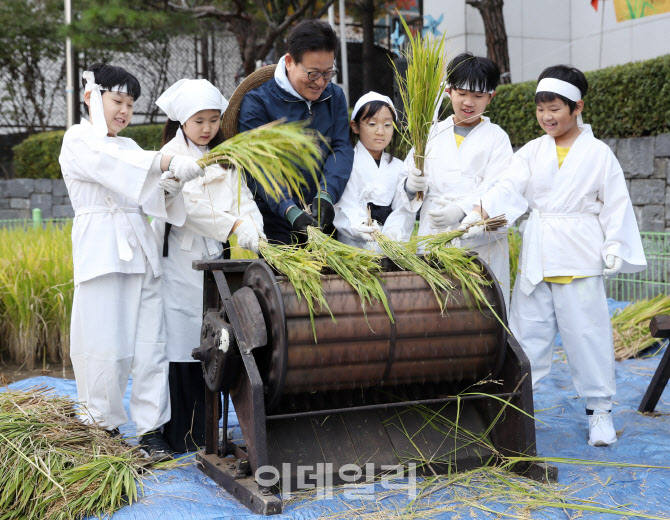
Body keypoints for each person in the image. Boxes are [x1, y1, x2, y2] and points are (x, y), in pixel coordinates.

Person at [460, 65, 647, 446]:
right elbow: (509, 189)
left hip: (579, 257)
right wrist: (480, 213)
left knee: (588, 338)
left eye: (555, 109)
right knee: (527, 338)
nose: (546, 117)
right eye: (540, 109)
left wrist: (614, 244)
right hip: (538, 258)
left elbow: (616, 204)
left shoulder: (598, 153)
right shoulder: (532, 151)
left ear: (577, 107)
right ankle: (513, 411)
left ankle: (599, 414)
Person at [59, 63, 206, 462]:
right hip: (102, 253)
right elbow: (109, 165)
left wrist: (171, 184)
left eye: (131, 104)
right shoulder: (79, 139)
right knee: (104, 344)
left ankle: (150, 430)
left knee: (150, 346)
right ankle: (102, 427)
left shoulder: (129, 148)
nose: (125, 110)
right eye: (117, 100)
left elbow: (150, 194)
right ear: (93, 98)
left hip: (139, 250)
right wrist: (165, 163)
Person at [152, 78, 264, 452]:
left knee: (217, 344)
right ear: (183, 121)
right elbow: (187, 210)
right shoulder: (170, 156)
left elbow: (242, 198)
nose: (207, 128)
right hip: (181, 267)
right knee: (185, 345)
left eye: (214, 120)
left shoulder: (225, 155)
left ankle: (210, 432)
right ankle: (181, 434)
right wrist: (232, 225)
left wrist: (253, 228)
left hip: (217, 261)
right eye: (199, 120)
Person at [404, 52, 514, 308]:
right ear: (449, 91)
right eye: (462, 93)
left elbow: (502, 187)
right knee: (435, 310)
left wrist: (463, 211)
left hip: (479, 242)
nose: (469, 102)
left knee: (481, 311)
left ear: (491, 97)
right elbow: (407, 182)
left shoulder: (497, 138)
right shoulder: (429, 133)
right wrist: (411, 186)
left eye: (478, 96)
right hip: (434, 234)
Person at [238, 19, 354, 244]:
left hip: (324, 216)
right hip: (275, 221)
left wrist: (326, 194)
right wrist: (288, 209)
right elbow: (259, 166)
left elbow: (340, 147)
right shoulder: (257, 103)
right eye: (313, 73)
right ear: (290, 61)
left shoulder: (335, 97)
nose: (321, 82)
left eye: (328, 73)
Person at [333, 92, 416, 248]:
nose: (380, 131)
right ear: (355, 126)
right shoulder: (347, 164)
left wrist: (393, 231)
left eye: (387, 125)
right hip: (354, 248)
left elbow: (404, 208)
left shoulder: (400, 167)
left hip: (391, 248)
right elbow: (345, 205)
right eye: (372, 124)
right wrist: (361, 226)